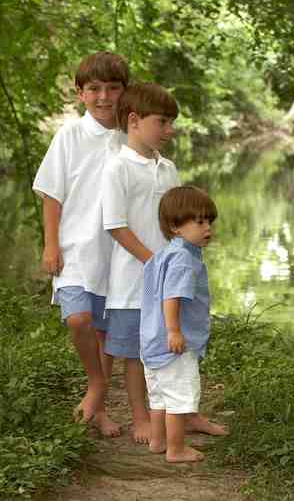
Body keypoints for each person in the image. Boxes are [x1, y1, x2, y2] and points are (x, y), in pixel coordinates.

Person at [32, 51, 128, 437]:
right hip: (75, 248)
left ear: (125, 91)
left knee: (104, 331)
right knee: (78, 319)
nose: (104, 97)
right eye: (94, 89)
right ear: (80, 92)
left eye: (113, 88)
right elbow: (51, 195)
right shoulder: (70, 135)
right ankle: (97, 383)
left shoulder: (131, 135)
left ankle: (99, 410)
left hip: (116, 252)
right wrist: (50, 245)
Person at [101, 82, 181, 443]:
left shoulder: (169, 168)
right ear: (134, 121)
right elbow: (116, 226)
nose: (169, 130)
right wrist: (153, 262)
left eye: (171, 123)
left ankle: (180, 412)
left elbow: (178, 220)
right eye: (162, 122)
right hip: (132, 284)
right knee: (135, 355)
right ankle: (141, 417)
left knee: (172, 347)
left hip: (169, 280)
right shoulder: (117, 167)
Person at [140, 186, 227, 463]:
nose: (207, 228)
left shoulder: (166, 253)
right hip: (175, 343)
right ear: (175, 227)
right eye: (199, 222)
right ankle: (176, 449)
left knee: (159, 396)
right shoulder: (183, 259)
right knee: (178, 396)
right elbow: (171, 296)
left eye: (209, 221)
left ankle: (158, 441)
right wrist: (174, 331)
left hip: (152, 340)